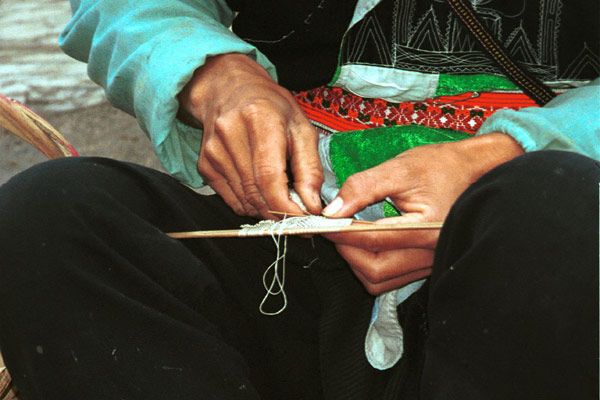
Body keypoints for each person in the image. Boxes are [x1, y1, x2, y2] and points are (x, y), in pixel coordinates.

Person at [0, 0, 598, 399]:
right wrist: (217, 76)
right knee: (53, 219)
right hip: (289, 257)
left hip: (549, 271)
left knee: (554, 209)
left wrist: (511, 154)